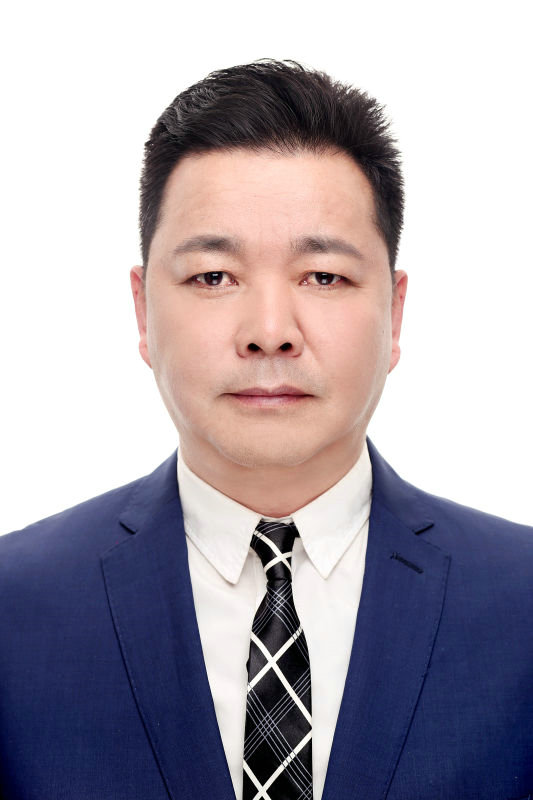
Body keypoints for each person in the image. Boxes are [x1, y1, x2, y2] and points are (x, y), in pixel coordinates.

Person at [0, 59, 531, 800]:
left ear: (395, 312)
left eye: (324, 276)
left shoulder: (521, 599)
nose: (270, 330)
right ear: (143, 311)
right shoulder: (14, 605)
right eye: (213, 277)